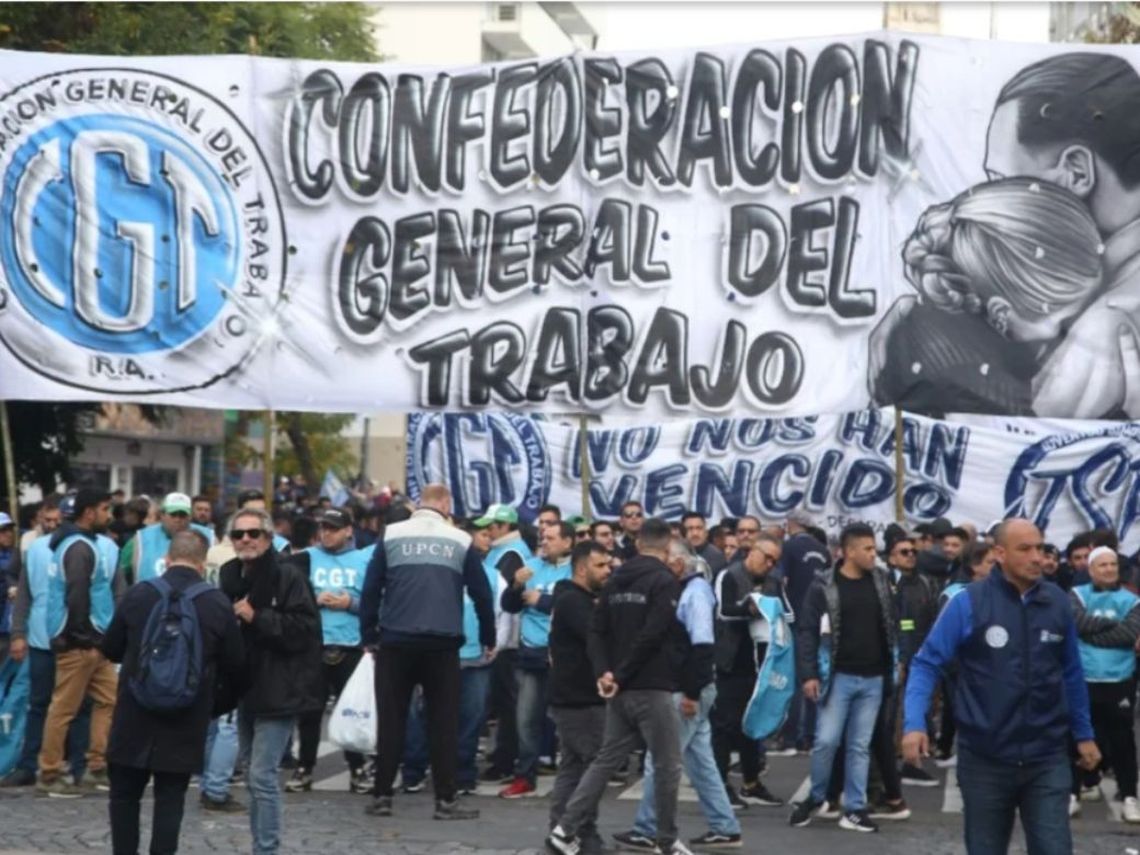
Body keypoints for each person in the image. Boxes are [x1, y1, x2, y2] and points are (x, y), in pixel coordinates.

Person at [902, 519, 1099, 855]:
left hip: (1046, 755)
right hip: (985, 758)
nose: (1037, 557)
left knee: (1055, 848)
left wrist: (1083, 734)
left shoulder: (1057, 602)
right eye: (1025, 549)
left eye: (1040, 547)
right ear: (999, 553)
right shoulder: (969, 603)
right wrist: (914, 724)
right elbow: (926, 663)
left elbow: (1071, 672)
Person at [871, 178, 1102, 416]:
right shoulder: (992, 394)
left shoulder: (928, 315)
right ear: (1001, 314)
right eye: (1063, 323)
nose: (1076, 332)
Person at [546, 518, 685, 855]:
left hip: (618, 690)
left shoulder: (615, 580)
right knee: (667, 764)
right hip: (650, 686)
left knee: (604, 761)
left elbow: (597, 631)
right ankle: (666, 842)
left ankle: (564, 829)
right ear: (667, 547)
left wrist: (606, 673)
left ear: (638, 544)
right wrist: (617, 674)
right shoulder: (663, 580)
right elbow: (653, 634)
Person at [102, 531, 246, 855]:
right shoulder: (216, 603)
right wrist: (212, 704)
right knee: (170, 799)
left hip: (134, 714)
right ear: (203, 562)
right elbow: (236, 665)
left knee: (124, 796)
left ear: (167, 559)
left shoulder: (139, 594)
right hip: (187, 716)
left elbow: (110, 648)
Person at [359, 484, 494, 821]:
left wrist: (369, 634)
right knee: (443, 723)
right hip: (442, 644)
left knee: (392, 721)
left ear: (421, 504)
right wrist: (489, 636)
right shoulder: (460, 540)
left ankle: (382, 796)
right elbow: (481, 594)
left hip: (395, 641)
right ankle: (445, 800)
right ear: (445, 504)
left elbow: (372, 588)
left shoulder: (390, 534)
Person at [616, 539, 743, 851]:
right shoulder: (682, 590)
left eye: (666, 557)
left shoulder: (695, 592)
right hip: (690, 688)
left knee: (660, 760)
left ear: (680, 561)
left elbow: (702, 647)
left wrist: (691, 692)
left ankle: (646, 828)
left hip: (688, 689)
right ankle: (724, 826)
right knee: (701, 762)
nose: (662, 563)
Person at [218, 507, 323, 855]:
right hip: (245, 688)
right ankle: (260, 846)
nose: (245, 539)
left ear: (268, 538)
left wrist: (256, 616)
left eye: (253, 533)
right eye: (238, 534)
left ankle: (267, 848)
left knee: (262, 776)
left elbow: (305, 631)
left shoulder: (288, 576)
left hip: (280, 687)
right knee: (251, 776)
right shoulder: (230, 576)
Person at [790, 523, 897, 833]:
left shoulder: (881, 580)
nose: (873, 554)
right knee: (826, 741)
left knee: (859, 746)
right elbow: (807, 631)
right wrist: (809, 673)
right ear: (848, 551)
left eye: (873, 549)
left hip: (874, 677)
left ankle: (854, 808)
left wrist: (896, 663)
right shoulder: (823, 584)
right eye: (867, 549)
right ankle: (817, 797)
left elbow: (890, 624)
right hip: (836, 677)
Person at [2, 496, 94, 790]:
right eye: (48, 520)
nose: (53, 525)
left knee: (78, 705)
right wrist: (19, 633)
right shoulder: (35, 549)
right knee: (38, 704)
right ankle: (30, 764)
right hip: (41, 639)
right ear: (40, 518)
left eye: (58, 521)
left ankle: (79, 766)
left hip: (71, 639)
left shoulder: (82, 546)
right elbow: (25, 595)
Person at [36, 489, 121, 798]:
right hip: (80, 641)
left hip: (92, 639)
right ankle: (49, 772)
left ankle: (96, 766)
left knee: (109, 699)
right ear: (88, 513)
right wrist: (84, 638)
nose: (108, 515)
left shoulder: (75, 543)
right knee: (64, 708)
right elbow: (77, 595)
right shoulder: (79, 548)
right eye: (104, 508)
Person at [284, 508, 371, 795]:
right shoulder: (306, 557)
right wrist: (313, 599)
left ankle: (357, 767)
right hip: (315, 644)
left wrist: (351, 604)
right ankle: (305, 767)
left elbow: (377, 603)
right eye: (324, 528)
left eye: (333, 528)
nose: (327, 533)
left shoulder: (364, 559)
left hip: (351, 645)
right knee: (310, 710)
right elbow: (288, 593)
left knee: (353, 710)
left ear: (349, 530)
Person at [546, 540, 613, 855]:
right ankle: (581, 834)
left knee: (573, 768)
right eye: (600, 565)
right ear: (583, 567)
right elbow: (595, 640)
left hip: (574, 698)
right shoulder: (575, 602)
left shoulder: (580, 599)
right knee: (590, 771)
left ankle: (563, 830)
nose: (607, 570)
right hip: (580, 700)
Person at [499, 521, 573, 799]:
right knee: (526, 719)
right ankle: (525, 776)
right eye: (543, 537)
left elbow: (579, 604)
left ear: (567, 542)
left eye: (552, 538)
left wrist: (542, 600)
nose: (545, 542)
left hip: (562, 657)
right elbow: (509, 606)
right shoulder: (532, 566)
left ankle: (575, 776)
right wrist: (516, 585)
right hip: (530, 655)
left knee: (567, 720)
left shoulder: (576, 568)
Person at [711, 532, 784, 809]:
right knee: (724, 726)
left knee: (751, 724)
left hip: (761, 664)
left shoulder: (774, 581)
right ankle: (719, 785)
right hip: (730, 662)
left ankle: (752, 782)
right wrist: (751, 608)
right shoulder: (729, 576)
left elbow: (787, 613)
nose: (770, 565)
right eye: (767, 558)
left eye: (775, 561)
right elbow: (724, 612)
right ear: (753, 551)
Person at [1069, 546, 1140, 823]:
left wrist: (1090, 635)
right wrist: (1112, 628)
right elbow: (1075, 622)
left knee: (1122, 741)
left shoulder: (1132, 600)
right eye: (1102, 565)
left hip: (1119, 680)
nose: (1109, 569)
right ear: (1090, 569)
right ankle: (1073, 793)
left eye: (1113, 564)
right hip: (1083, 678)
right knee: (1075, 737)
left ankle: (1129, 796)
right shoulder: (1077, 595)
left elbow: (1128, 633)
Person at [476, 504, 533, 784]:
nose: (486, 530)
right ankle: (502, 756)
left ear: (504, 526)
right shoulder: (501, 552)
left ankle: (505, 760)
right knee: (501, 703)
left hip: (505, 642)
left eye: (491, 526)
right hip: (498, 638)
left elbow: (500, 600)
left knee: (506, 704)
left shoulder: (511, 554)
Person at [775, 510, 830, 754]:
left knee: (796, 680)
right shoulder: (824, 551)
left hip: (795, 619)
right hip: (821, 621)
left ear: (790, 524)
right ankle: (810, 735)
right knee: (814, 676)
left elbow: (780, 581)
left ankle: (790, 738)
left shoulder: (788, 549)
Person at [127, 493, 216, 586]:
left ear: (190, 517)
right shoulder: (141, 538)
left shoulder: (209, 537)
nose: (177, 519)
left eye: (182, 515)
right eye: (173, 514)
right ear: (162, 515)